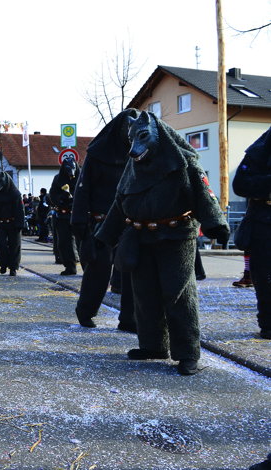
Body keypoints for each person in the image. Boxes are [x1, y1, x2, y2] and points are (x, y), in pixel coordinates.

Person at [96, 110, 229, 375]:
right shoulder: (133, 168)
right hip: (140, 236)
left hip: (176, 237)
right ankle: (153, 345)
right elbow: (120, 202)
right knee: (144, 295)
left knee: (178, 293)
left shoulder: (184, 162)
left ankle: (188, 352)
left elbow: (204, 193)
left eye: (143, 138)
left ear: (157, 134)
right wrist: (105, 234)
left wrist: (215, 224)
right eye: (132, 140)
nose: (135, 148)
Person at [72, 109, 137, 329]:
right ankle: (85, 312)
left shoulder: (138, 153)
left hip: (129, 223)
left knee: (131, 272)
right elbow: (83, 189)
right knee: (98, 272)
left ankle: (129, 319)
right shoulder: (98, 153)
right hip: (101, 222)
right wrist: (79, 222)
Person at [231, 126, 271, 340]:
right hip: (264, 223)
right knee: (265, 279)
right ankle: (268, 325)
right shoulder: (260, 149)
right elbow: (241, 184)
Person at [49, 157, 81, 275]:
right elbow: (52, 195)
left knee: (82, 242)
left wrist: (74, 201)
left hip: (78, 215)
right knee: (64, 243)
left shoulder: (82, 178)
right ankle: (70, 266)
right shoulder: (58, 179)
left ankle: (87, 267)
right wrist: (62, 199)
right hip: (62, 216)